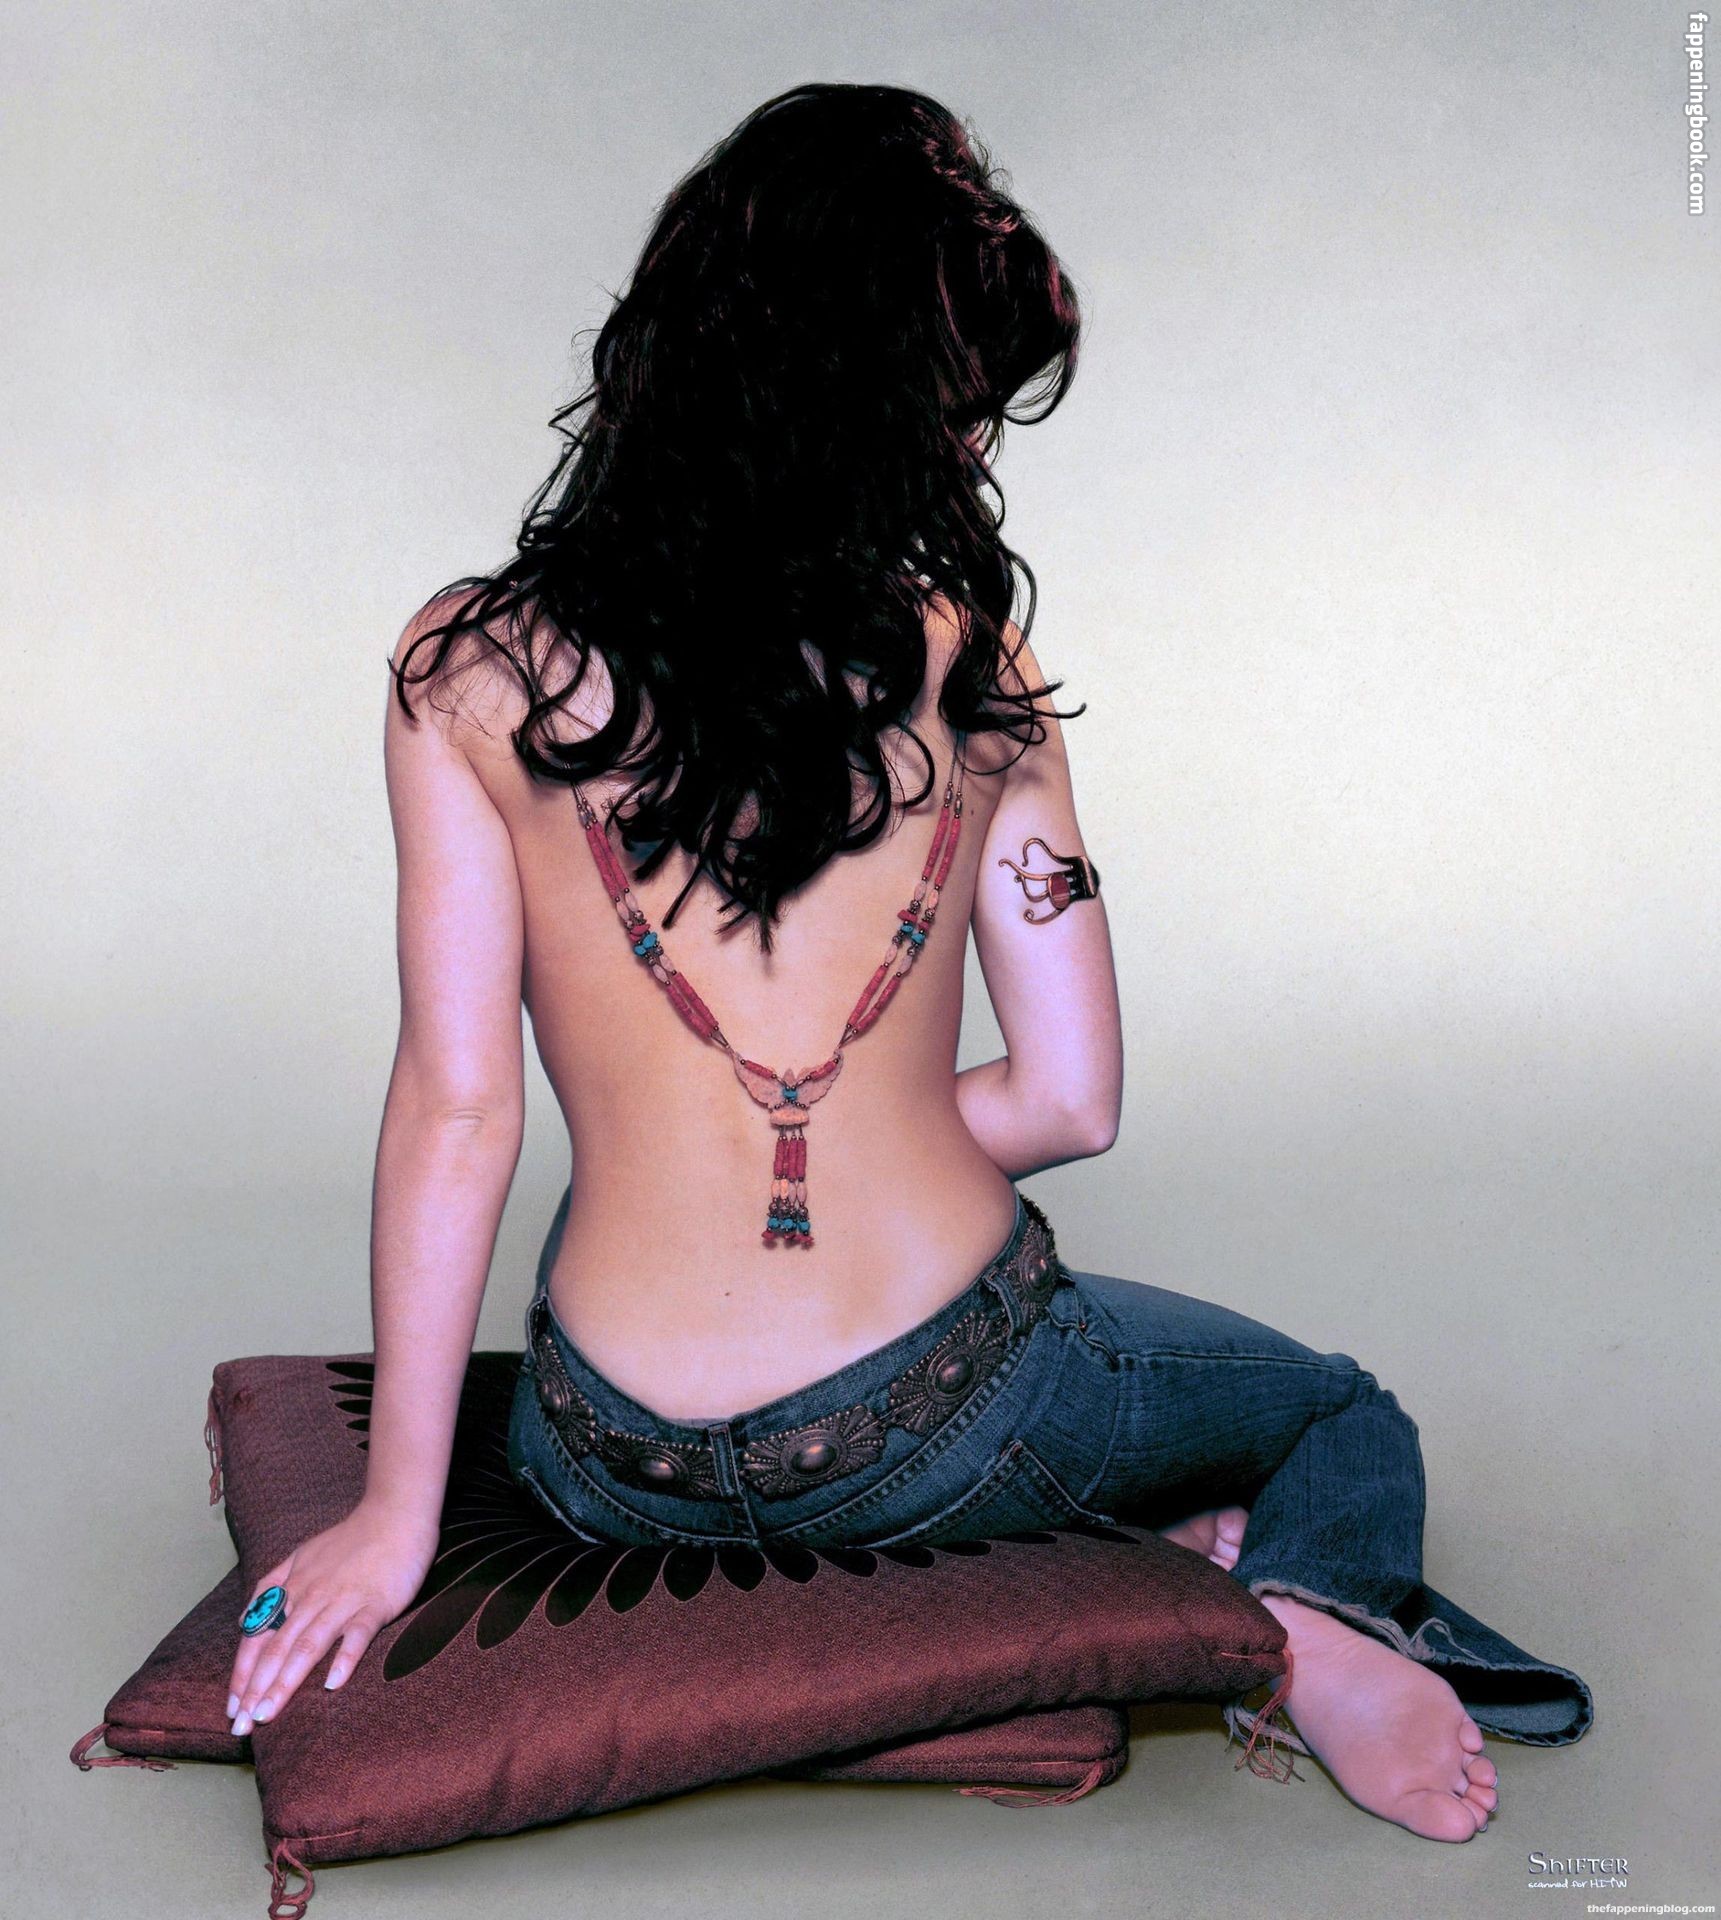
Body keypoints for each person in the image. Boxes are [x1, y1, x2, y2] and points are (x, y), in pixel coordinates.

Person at [222, 81, 1589, 1845]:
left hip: (603, 1468)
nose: (975, 451)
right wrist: (862, 1147)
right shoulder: (981, 670)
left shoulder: (463, 667)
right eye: (961, 406)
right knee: (1338, 1414)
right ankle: (1293, 1628)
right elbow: (1074, 1101)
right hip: (952, 1422)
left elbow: (459, 1109)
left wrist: (398, 1514)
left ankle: (1155, 1563)